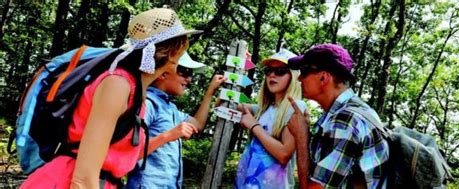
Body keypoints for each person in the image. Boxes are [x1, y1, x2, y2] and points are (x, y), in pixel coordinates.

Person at [21, 8, 202, 189]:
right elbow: (82, 179)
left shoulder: (137, 91)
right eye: (181, 46)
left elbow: (120, 156)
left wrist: (167, 137)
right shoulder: (118, 85)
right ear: (171, 51)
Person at [286, 44, 389, 189]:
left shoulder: (345, 121)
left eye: (304, 71)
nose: (299, 79)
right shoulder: (353, 111)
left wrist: (301, 137)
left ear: (323, 78)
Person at [125, 53, 226, 189]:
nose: (189, 79)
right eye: (184, 71)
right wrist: (168, 136)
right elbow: (127, 152)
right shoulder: (147, 103)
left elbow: (197, 124)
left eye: (190, 73)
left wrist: (210, 92)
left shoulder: (170, 108)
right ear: (162, 74)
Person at [234, 49, 307, 189]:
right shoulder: (262, 109)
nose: (272, 75)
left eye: (280, 71)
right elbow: (223, 103)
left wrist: (254, 126)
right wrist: (240, 70)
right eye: (268, 70)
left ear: (293, 76)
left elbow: (284, 154)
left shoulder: (296, 106)